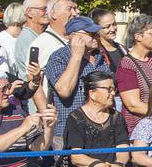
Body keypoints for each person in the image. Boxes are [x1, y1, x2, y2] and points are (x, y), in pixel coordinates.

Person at [44, 14, 115, 145]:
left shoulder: (99, 57)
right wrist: (77, 55)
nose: (96, 37)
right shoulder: (59, 57)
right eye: (91, 34)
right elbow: (64, 90)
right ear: (74, 36)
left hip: (101, 129)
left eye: (96, 33)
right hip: (68, 132)